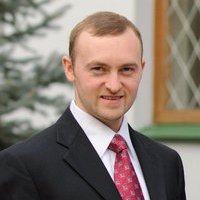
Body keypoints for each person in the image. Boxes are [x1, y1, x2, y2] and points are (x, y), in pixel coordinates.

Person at [0, 11, 186, 200]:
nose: (114, 85)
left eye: (126, 69)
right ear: (70, 69)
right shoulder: (25, 165)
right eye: (99, 69)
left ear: (141, 69)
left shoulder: (167, 163)